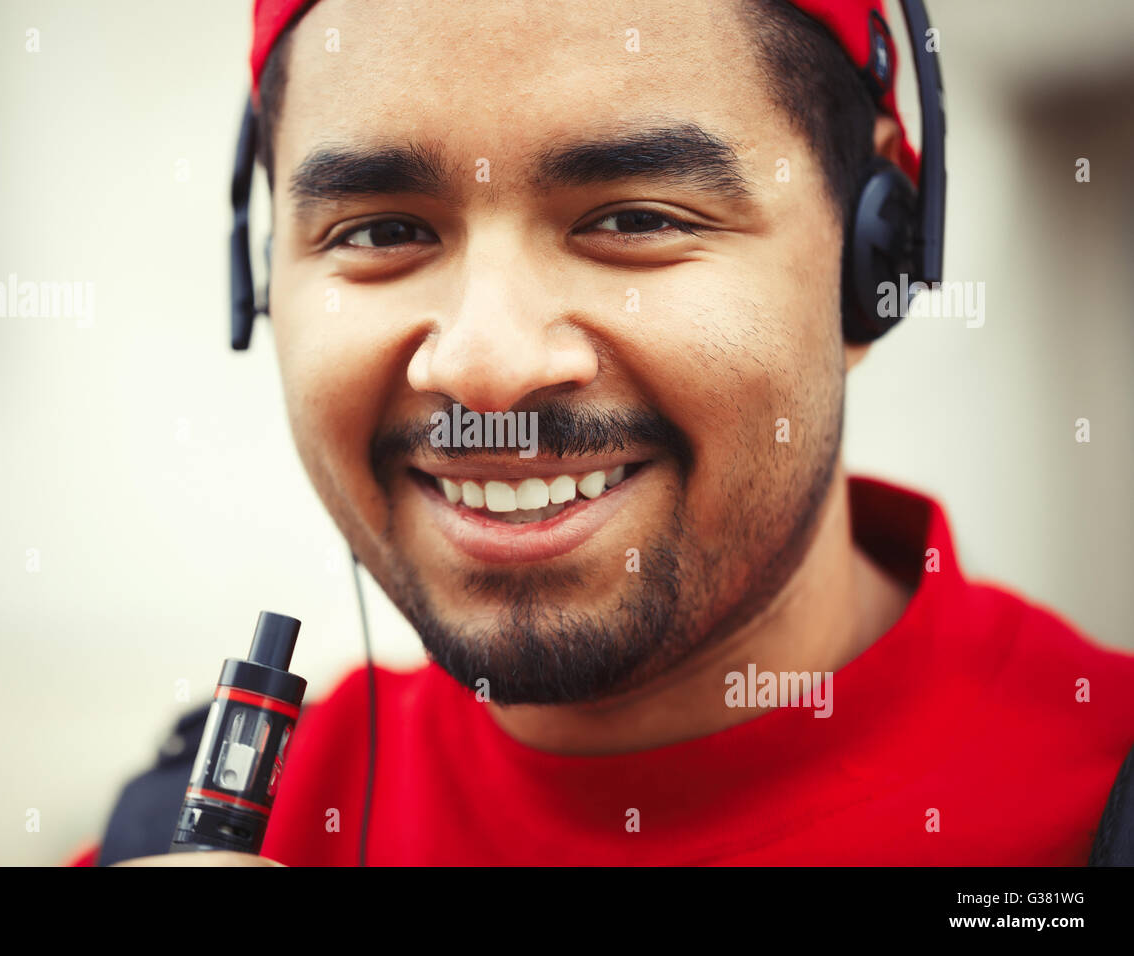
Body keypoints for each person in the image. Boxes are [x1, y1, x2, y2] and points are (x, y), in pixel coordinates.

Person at [74, 0, 1134, 867]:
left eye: (633, 218)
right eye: (383, 232)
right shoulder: (191, 831)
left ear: (872, 261)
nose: (485, 363)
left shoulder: (1094, 802)